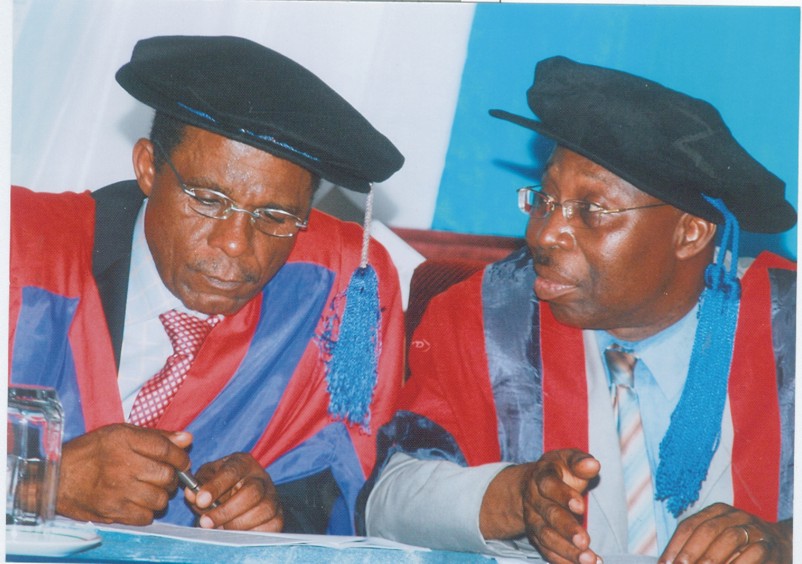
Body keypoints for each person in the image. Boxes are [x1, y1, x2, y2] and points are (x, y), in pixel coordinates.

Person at [360, 56, 794, 563]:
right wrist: (511, 497)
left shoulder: (787, 328)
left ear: (690, 233)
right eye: (544, 200)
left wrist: (787, 542)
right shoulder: (487, 314)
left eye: (591, 211)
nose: (542, 234)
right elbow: (386, 503)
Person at [9, 35, 406, 534]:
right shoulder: (24, 248)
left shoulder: (336, 287)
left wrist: (276, 510)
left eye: (275, 215)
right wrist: (38, 481)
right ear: (149, 167)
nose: (236, 244)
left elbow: (349, 479)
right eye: (208, 199)